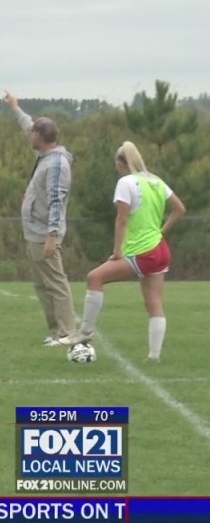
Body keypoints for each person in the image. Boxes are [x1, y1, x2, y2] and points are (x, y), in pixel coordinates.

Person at [60, 142, 186, 362]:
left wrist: (117, 252)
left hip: (142, 251)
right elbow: (179, 209)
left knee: (94, 277)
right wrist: (161, 232)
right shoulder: (155, 181)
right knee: (154, 303)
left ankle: (86, 332)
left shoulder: (126, 182)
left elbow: (121, 219)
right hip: (160, 249)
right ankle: (154, 357)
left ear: (121, 163)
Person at [4, 91, 75, 347]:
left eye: (33, 132)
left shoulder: (55, 163)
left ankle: (67, 332)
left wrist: (52, 235)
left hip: (45, 233)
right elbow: (27, 125)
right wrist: (15, 108)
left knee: (55, 283)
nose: (29, 134)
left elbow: (56, 199)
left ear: (41, 136)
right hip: (35, 232)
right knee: (42, 285)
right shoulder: (45, 157)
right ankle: (56, 331)